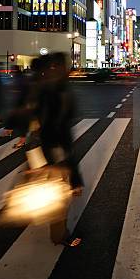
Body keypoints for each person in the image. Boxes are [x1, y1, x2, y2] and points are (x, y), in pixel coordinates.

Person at [36, 53, 83, 247]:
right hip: (54, 148)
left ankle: (55, 229)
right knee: (59, 195)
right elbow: (58, 128)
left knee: (52, 190)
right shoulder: (56, 90)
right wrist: (74, 175)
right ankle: (60, 236)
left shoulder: (45, 87)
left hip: (44, 145)